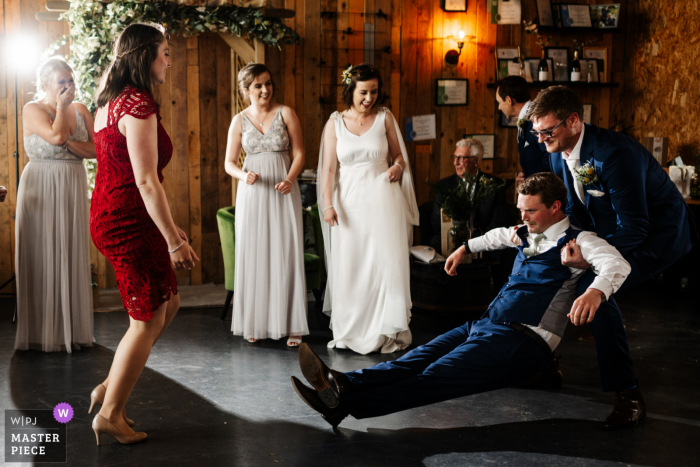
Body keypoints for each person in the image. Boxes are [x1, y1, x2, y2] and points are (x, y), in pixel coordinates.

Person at [292, 173, 641, 430]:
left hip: (524, 341)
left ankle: (344, 404)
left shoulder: (580, 240)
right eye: (520, 210)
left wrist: (595, 290)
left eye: (531, 211)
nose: (523, 217)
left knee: (435, 376)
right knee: (415, 358)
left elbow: (616, 264)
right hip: (488, 325)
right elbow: (495, 237)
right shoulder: (523, 231)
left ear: (555, 207)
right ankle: (343, 382)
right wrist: (463, 247)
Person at [89, 23, 198, 445]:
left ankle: (110, 387)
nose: (169, 60)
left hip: (120, 214)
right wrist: (173, 240)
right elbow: (147, 181)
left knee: (167, 304)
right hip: (127, 219)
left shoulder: (112, 101)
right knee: (147, 318)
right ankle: (111, 414)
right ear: (144, 55)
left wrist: (169, 228)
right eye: (165, 53)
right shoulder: (136, 104)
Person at [318, 63, 419, 354]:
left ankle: (383, 329)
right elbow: (327, 170)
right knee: (351, 266)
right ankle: (351, 330)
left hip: (383, 202)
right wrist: (327, 204)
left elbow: (399, 156)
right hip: (348, 203)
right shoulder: (334, 123)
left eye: (374, 91)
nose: (369, 98)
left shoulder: (385, 118)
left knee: (382, 265)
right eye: (364, 92)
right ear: (351, 90)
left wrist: (397, 168)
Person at [14, 56, 95, 353]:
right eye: (61, 82)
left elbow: (97, 149)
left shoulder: (82, 110)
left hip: (72, 184)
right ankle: (42, 332)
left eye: (71, 81)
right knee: (43, 252)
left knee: (70, 251)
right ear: (45, 83)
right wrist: (61, 110)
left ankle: (72, 330)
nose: (68, 86)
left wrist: (71, 146)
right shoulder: (32, 109)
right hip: (41, 185)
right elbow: (57, 134)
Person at [224, 63, 308, 347]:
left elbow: (299, 153)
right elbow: (228, 163)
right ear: (246, 90)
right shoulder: (239, 120)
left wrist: (290, 177)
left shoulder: (286, 113)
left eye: (268, 83)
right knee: (255, 251)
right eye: (258, 85)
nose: (265, 90)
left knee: (286, 250)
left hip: (283, 190)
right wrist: (242, 174)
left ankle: (293, 325)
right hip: (253, 193)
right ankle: (255, 321)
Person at [428, 138, 510, 252]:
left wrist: (477, 242)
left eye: (461, 158)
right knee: (435, 242)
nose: (455, 162)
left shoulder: (495, 185)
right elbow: (436, 223)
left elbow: (498, 222)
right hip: (452, 239)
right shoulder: (444, 185)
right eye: (455, 157)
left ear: (476, 161)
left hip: (483, 242)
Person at [496, 76, 549, 185]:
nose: (499, 107)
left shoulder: (536, 117)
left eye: (499, 102)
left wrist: (531, 179)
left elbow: (551, 156)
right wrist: (524, 175)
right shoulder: (525, 118)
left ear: (509, 100)